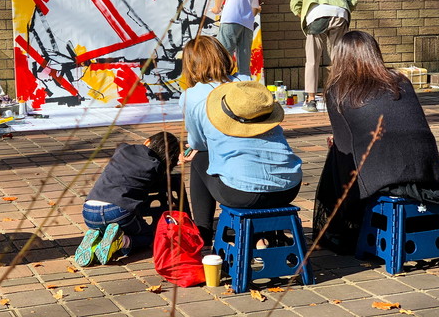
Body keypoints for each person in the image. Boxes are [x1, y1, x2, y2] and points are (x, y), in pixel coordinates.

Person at [313, 31, 439, 253]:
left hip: (381, 176)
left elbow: (344, 145)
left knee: (337, 153)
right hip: (426, 168)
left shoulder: (338, 89)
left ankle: (340, 228)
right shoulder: (400, 80)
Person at [179, 36, 302, 246]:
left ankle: (203, 231)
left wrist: (195, 150)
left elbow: (198, 143)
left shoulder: (192, 95)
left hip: (242, 192)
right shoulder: (247, 83)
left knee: (200, 159)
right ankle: (261, 235)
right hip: (288, 186)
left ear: (190, 65)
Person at [75, 131, 181, 266]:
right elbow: (162, 181)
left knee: (107, 228)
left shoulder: (123, 149)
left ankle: (96, 240)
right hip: (117, 211)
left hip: (89, 210)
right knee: (149, 235)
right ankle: (122, 241)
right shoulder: (156, 167)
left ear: (148, 141)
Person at [290, 0, 358, 112]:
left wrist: (305, 15)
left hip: (315, 15)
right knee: (339, 56)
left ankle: (311, 100)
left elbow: (295, 4)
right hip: (339, 13)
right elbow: (352, 0)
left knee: (312, 59)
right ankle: (340, 95)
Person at [211, 0, 261, 77]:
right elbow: (254, 10)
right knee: (244, 63)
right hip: (247, 24)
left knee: (224, 55)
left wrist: (216, 8)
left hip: (231, 19)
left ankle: (222, 85)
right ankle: (245, 88)